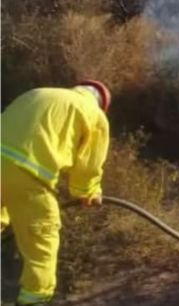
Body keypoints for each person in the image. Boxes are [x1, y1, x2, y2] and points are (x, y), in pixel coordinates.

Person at [1, 80, 111, 305]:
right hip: (27, 177)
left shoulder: (36, 92)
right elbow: (89, 164)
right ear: (102, 104)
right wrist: (87, 192)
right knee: (42, 248)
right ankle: (35, 300)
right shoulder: (93, 114)